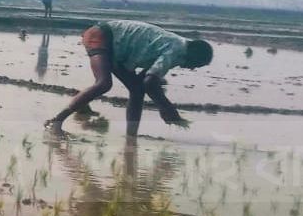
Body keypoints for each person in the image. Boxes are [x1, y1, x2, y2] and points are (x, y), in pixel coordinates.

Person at [46, 20, 214, 135]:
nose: (192, 68)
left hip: (119, 50)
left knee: (136, 90)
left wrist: (164, 106)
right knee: (103, 83)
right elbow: (150, 82)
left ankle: (131, 136)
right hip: (102, 36)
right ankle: (56, 121)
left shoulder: (178, 50)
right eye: (196, 65)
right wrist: (166, 108)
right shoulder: (177, 49)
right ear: (194, 56)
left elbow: (145, 82)